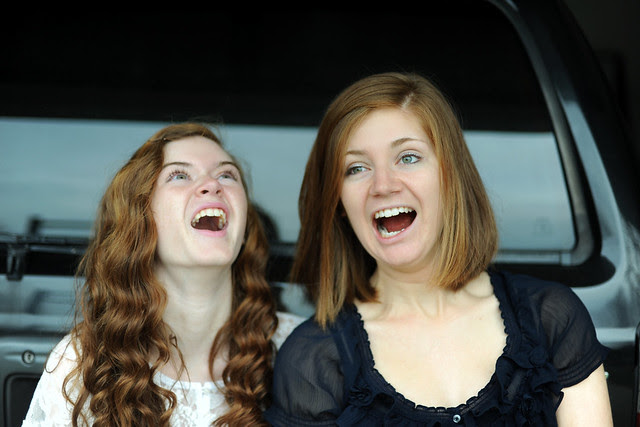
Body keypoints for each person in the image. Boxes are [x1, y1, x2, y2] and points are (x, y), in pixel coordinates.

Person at [264, 72, 612, 426]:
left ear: (450, 175)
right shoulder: (312, 362)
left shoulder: (550, 317)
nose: (383, 185)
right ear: (339, 202)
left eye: (408, 157)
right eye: (356, 168)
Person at [22, 123, 302, 426]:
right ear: (141, 220)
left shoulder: (301, 348)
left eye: (227, 175)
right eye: (179, 175)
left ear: (244, 226)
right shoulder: (81, 363)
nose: (212, 184)